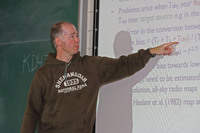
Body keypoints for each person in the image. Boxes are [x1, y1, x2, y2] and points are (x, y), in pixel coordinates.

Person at [20, 21, 178, 133]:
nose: (77, 39)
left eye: (77, 35)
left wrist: (151, 52)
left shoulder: (91, 66)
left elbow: (124, 65)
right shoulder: (44, 74)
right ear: (58, 42)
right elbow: (31, 113)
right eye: (72, 36)